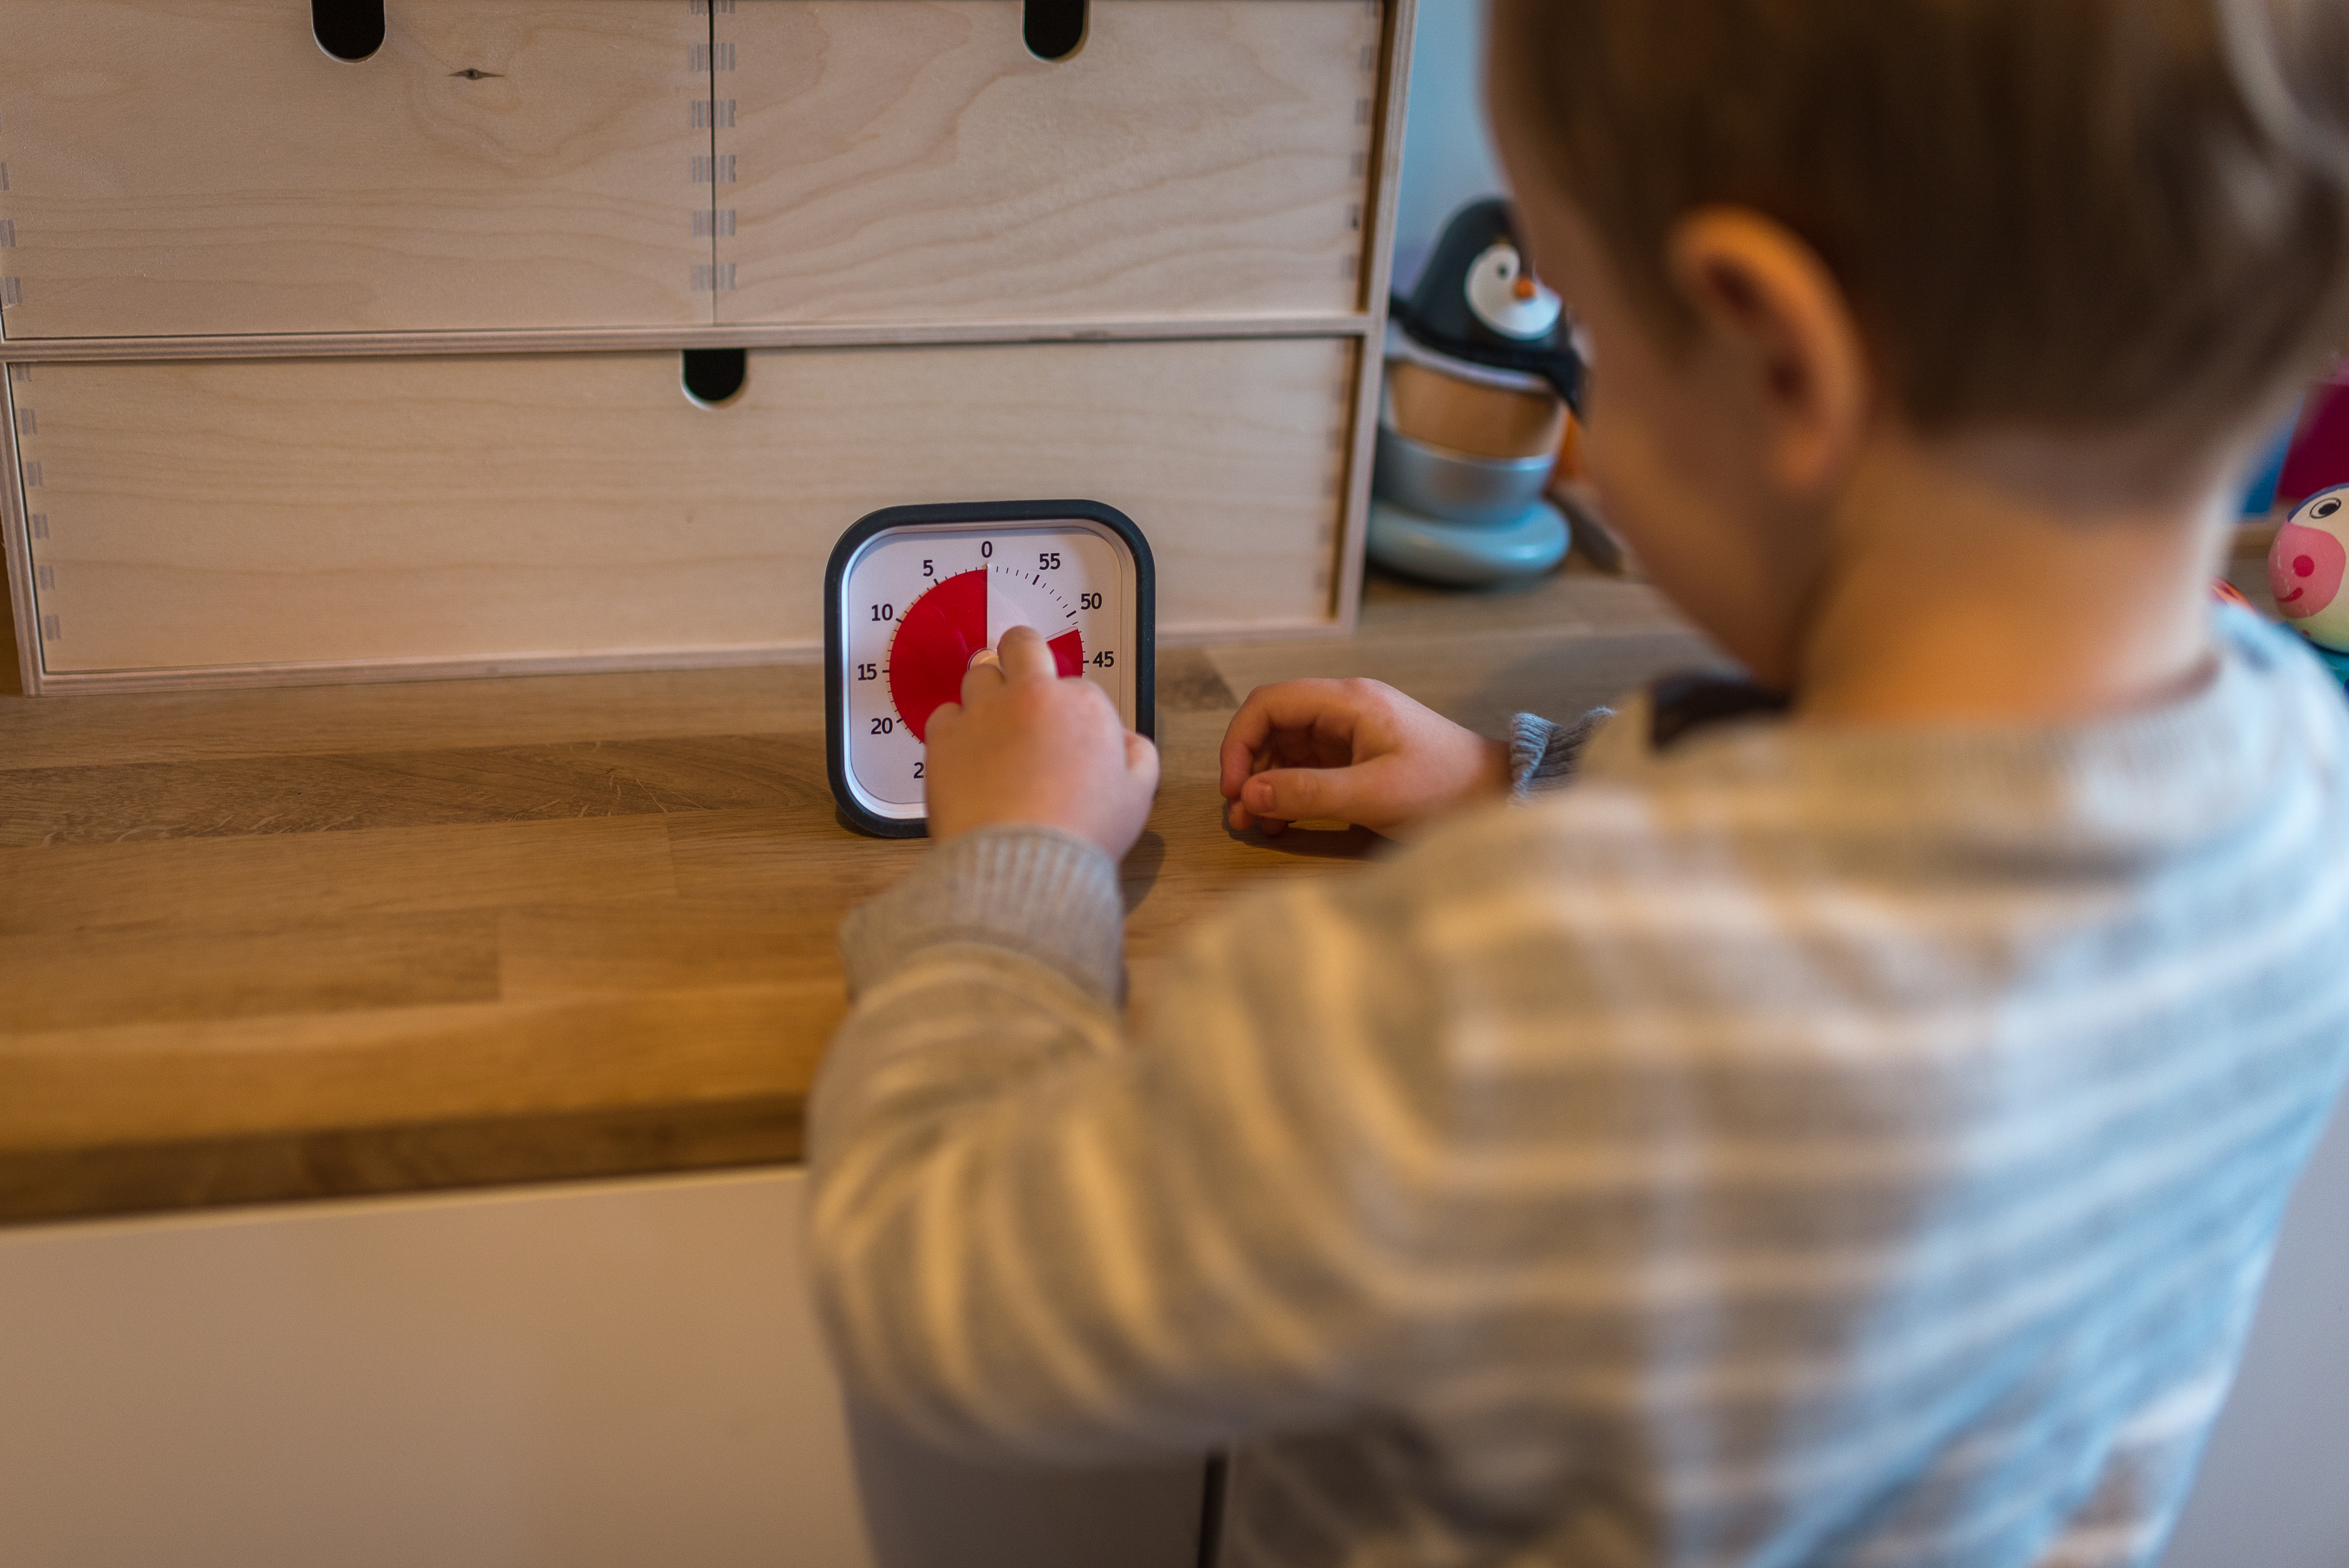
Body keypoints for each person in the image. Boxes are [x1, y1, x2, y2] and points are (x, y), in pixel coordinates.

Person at [805, 1, 2349, 1562]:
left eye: (1582, 329)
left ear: (1771, 356)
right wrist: (1523, 788)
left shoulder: (1500, 1003)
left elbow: (945, 1287)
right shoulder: (2302, 795)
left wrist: (1015, 867)